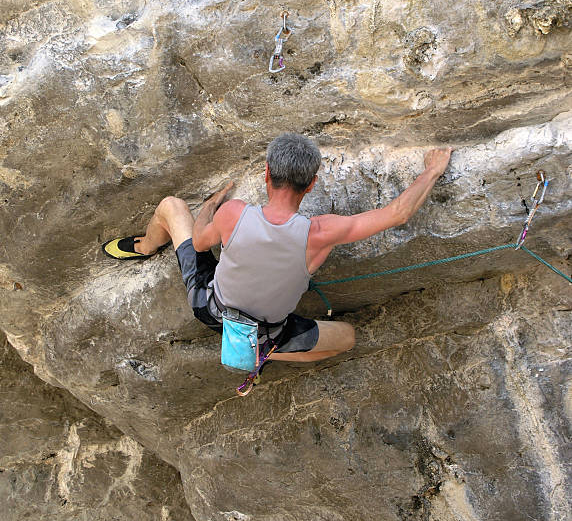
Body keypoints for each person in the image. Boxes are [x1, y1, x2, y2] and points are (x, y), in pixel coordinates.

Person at [103, 133, 452, 362]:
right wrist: (432, 171)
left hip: (209, 308)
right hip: (267, 330)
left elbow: (199, 242)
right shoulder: (320, 231)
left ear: (267, 174)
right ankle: (260, 352)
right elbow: (398, 214)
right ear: (311, 184)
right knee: (346, 337)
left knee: (170, 206)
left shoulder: (234, 213)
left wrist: (209, 207)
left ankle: (148, 245)